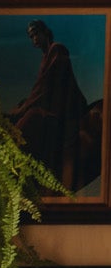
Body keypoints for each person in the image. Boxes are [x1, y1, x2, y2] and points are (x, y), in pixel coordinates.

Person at [8, 19, 96, 195]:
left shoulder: (57, 49)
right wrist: (24, 104)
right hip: (52, 102)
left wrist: (24, 109)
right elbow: (40, 86)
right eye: (31, 36)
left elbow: (46, 85)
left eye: (35, 34)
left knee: (31, 117)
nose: (34, 39)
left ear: (45, 32)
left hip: (64, 106)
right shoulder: (45, 56)